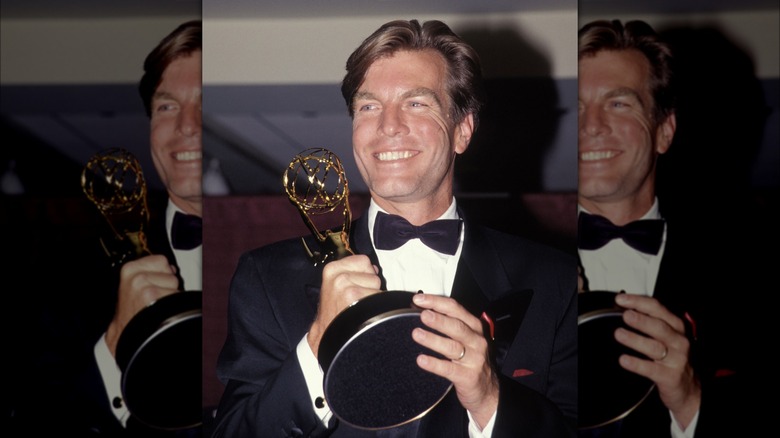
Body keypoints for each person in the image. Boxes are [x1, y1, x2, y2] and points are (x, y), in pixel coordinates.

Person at [213, 19, 577, 437]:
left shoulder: (554, 280)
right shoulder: (268, 277)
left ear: (462, 130)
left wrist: (490, 399)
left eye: (416, 103)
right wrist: (316, 347)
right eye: (369, 106)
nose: (388, 126)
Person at [10, 20, 203, 437]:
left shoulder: (297, 270)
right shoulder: (68, 277)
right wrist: (114, 346)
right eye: (168, 106)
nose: (188, 125)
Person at [577, 19, 745, 437]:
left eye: (618, 104)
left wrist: (690, 401)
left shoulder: (741, 270)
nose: (592, 125)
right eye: (578, 106)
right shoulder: (518, 265)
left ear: (664, 131)